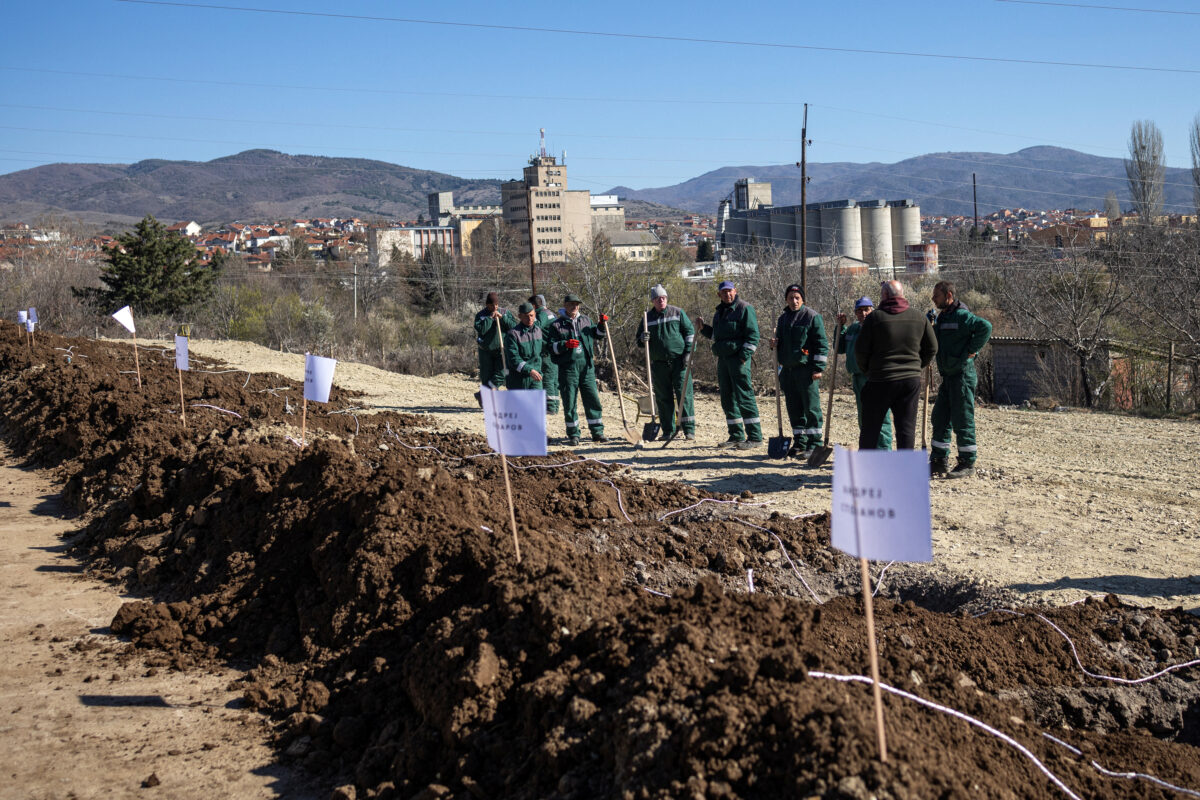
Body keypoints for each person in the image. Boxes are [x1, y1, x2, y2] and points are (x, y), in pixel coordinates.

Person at [855, 280, 937, 450]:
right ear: (902, 295)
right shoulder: (919, 317)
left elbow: (861, 351)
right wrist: (916, 366)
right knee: (906, 429)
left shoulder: (875, 318)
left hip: (879, 380)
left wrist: (869, 371)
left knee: (871, 428)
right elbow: (932, 348)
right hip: (909, 381)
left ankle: (866, 471)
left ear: (884, 296)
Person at [929, 280, 993, 478]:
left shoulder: (962, 315)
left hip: (962, 376)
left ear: (948, 295)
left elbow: (986, 327)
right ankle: (939, 461)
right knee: (939, 418)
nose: (933, 299)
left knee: (962, 419)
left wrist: (972, 350)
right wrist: (930, 325)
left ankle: (967, 462)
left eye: (936, 296)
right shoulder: (942, 316)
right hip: (948, 376)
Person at [696, 280, 762, 449]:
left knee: (744, 397)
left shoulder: (744, 308)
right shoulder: (719, 313)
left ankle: (754, 437)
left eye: (730, 291)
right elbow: (717, 336)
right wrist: (704, 329)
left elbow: (753, 336)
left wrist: (743, 356)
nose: (727, 294)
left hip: (738, 360)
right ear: (719, 295)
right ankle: (736, 435)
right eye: (724, 292)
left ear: (735, 291)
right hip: (723, 361)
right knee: (727, 399)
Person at [769, 284, 828, 459]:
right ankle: (800, 442)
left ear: (802, 299)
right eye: (791, 298)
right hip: (787, 371)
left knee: (811, 408)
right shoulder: (783, 319)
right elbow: (781, 343)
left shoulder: (811, 317)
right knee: (794, 409)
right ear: (786, 300)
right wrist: (774, 345)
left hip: (806, 371)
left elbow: (821, 345)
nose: (794, 301)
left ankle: (814, 443)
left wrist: (818, 368)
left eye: (797, 298)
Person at [636, 284, 696, 441]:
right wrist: (643, 339)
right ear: (653, 301)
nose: (660, 300)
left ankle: (688, 430)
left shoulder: (677, 313)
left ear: (666, 298)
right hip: (659, 364)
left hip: (680, 362)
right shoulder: (647, 318)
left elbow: (690, 332)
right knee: (663, 398)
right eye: (657, 298)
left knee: (684, 395)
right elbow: (638, 340)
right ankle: (668, 431)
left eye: (663, 298)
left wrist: (688, 353)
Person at [548, 293, 608, 446]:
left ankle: (597, 432)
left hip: (586, 367)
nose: (574, 307)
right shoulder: (556, 325)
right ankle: (574, 434)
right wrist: (565, 345)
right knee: (570, 402)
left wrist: (602, 324)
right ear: (565, 305)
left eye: (577, 304)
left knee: (592, 399)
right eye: (571, 304)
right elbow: (551, 347)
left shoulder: (586, 320)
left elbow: (599, 335)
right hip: (568, 369)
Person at [837, 297, 893, 450]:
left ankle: (883, 451)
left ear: (872, 310)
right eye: (859, 310)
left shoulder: (879, 327)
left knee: (880, 417)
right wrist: (840, 327)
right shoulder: (853, 329)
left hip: (875, 378)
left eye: (866, 309)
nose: (863, 313)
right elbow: (840, 347)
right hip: (857, 378)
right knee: (863, 416)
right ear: (855, 313)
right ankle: (869, 449)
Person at [473, 292, 517, 394]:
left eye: (496, 304)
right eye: (492, 305)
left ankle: (485, 392)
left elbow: (514, 327)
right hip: (486, 351)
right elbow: (481, 329)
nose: (495, 307)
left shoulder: (505, 312)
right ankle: (488, 399)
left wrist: (503, 318)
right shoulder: (481, 315)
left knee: (501, 373)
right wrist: (490, 318)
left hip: (502, 350)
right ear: (487, 304)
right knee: (486, 376)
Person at [504, 302, 546, 391]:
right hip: (518, 380)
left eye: (532, 315)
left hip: (536, 378)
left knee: (536, 404)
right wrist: (529, 370)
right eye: (526, 316)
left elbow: (542, 353)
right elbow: (513, 359)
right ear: (520, 316)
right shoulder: (513, 334)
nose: (530, 318)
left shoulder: (538, 331)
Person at [530, 294, 559, 413]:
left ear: (534, 305)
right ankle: (555, 406)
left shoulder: (542, 314)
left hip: (547, 353)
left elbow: (535, 327)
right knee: (554, 380)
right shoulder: (552, 314)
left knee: (547, 379)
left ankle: (550, 407)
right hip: (555, 351)